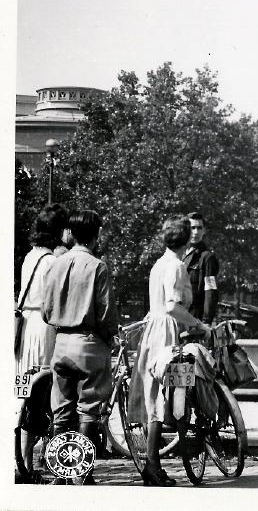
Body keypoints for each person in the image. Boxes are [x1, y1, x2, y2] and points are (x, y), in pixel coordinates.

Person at [128, 215, 212, 486]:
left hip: (154, 328)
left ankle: (155, 462)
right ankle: (153, 466)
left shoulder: (159, 263)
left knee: (159, 393)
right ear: (187, 239)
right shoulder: (176, 265)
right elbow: (172, 306)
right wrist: (198, 324)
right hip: (165, 331)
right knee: (163, 396)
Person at [40, 209, 119, 485]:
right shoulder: (98, 266)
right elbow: (106, 313)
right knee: (89, 410)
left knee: (61, 411)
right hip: (89, 345)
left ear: (70, 234)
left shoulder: (54, 264)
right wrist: (110, 337)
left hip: (61, 343)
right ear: (96, 236)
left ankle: (60, 473)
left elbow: (45, 312)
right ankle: (81, 473)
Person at [17, 206, 66, 374]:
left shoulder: (29, 257)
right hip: (43, 327)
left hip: (24, 324)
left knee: (24, 383)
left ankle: (22, 398)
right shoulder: (51, 261)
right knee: (41, 380)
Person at [182, 213, 219, 325]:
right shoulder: (180, 255)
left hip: (195, 319)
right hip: (179, 316)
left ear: (204, 231)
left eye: (199, 228)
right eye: (192, 228)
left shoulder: (207, 257)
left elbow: (210, 291)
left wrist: (206, 321)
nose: (196, 232)